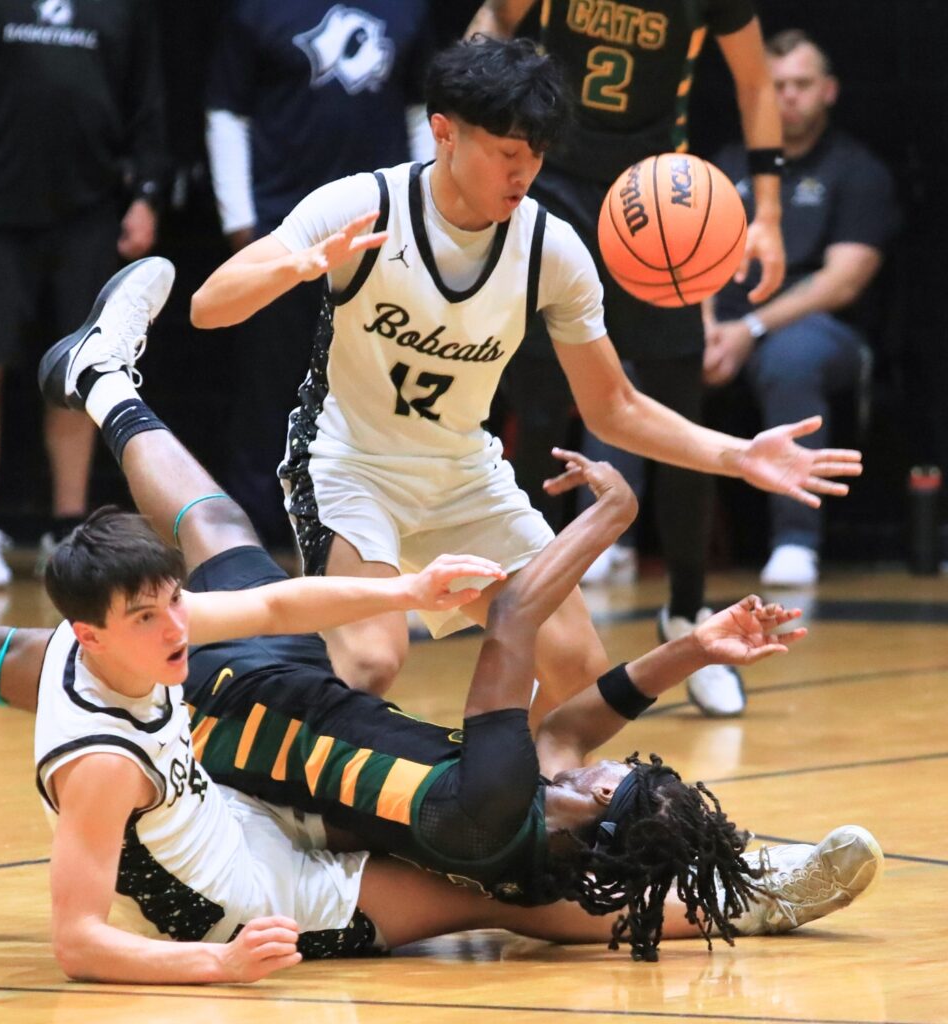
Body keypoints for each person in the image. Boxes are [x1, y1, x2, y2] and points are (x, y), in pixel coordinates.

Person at [0, 257, 880, 975]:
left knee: (9, 651)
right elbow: (586, 719)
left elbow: (514, 628)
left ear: (587, 810)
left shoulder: (511, 803)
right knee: (525, 900)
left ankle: (740, 887)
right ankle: (100, 374)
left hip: (248, 752)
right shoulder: (541, 814)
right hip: (281, 729)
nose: (599, 766)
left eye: (607, 784)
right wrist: (694, 647)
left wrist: (614, 511)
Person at [189, 36, 860, 722]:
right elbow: (208, 309)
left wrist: (736, 454)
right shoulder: (365, 206)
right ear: (445, 134)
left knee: (579, 679)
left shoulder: (552, 247)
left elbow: (615, 407)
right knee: (370, 661)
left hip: (462, 477)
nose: (524, 173)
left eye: (535, 156)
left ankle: (513, 814)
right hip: (350, 466)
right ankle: (262, 736)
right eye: (508, 153)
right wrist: (296, 267)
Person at [471, 0, 786, 718]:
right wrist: (467, 106)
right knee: (543, 406)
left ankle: (684, 609)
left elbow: (756, 83)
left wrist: (766, 212)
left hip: (657, 193)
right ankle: (530, 614)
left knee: (678, 407)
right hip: (551, 177)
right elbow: (494, 13)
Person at [0, 0, 167, 586]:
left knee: (83, 369)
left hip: (89, 209)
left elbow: (147, 100)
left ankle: (68, 530)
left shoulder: (124, 11)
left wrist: (147, 194)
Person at [204, 0, 432, 552]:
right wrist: (241, 224)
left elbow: (422, 113)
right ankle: (252, 536)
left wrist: (426, 212)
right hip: (284, 228)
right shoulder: (257, 12)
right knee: (268, 388)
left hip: (382, 233)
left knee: (375, 385)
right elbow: (226, 112)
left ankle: (364, 530)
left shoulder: (410, 10)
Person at [704, 30, 899, 587]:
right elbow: (684, 258)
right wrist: (707, 325)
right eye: (776, 85)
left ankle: (796, 542)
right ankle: (610, 539)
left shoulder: (856, 169)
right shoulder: (726, 163)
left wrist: (750, 327)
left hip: (819, 329)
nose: (788, 95)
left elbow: (844, 281)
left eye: (801, 84)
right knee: (645, 353)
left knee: (792, 358)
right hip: (725, 323)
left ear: (829, 90)